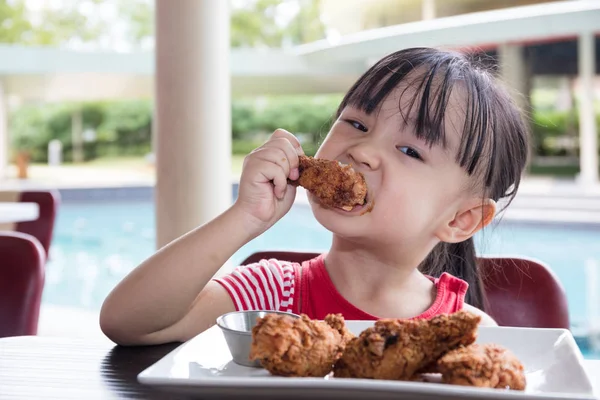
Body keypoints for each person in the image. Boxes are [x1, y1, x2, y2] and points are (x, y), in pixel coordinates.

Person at [99, 47, 528, 346]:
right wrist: (244, 218)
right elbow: (129, 322)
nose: (362, 151)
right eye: (357, 124)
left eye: (409, 150)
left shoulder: (468, 333)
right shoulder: (271, 294)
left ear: (460, 220)